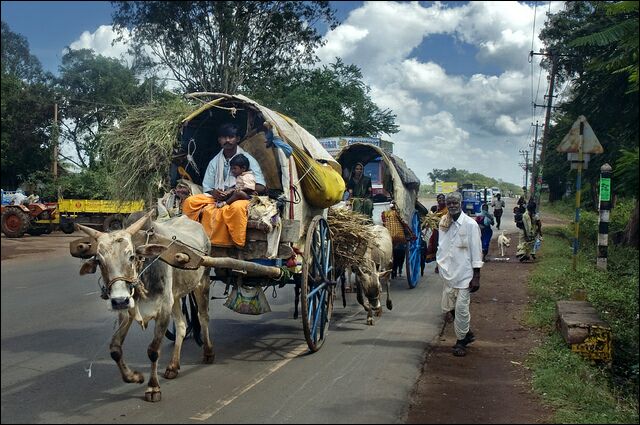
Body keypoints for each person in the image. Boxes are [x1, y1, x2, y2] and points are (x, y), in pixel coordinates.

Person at [182, 123, 266, 247]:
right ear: (219, 140)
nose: (227, 140)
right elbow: (208, 187)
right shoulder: (215, 161)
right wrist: (214, 193)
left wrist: (238, 190)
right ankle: (189, 238)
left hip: (241, 196)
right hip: (218, 197)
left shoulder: (247, 160)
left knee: (236, 209)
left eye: (231, 137)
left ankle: (236, 243)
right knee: (190, 202)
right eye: (223, 137)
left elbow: (261, 187)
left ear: (237, 139)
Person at [436, 191, 483, 357]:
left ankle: (461, 341)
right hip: (449, 274)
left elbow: (476, 250)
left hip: (465, 274)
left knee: (462, 308)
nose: (452, 205)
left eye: (455, 203)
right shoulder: (444, 222)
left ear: (460, 203)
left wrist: (476, 276)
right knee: (450, 307)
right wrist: (439, 264)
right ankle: (467, 333)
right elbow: (442, 246)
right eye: (449, 203)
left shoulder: (470, 225)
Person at [425, 194, 448, 272]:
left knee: (443, 249)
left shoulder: (447, 209)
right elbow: (430, 217)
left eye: (443, 198)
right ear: (437, 200)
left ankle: (440, 266)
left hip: (445, 232)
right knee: (437, 248)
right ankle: (438, 265)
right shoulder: (434, 208)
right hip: (437, 232)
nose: (441, 200)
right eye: (439, 198)